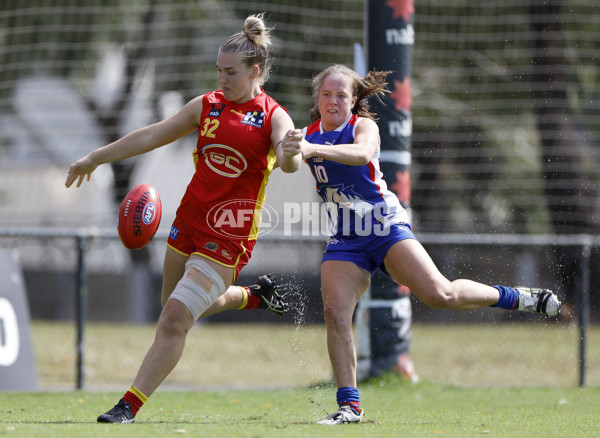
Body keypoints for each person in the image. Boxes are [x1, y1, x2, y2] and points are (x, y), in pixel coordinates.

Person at [280, 64, 561, 425]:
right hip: (346, 237)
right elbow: (288, 165)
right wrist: (291, 149)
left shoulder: (362, 127)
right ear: (317, 98)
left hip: (385, 226)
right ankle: (350, 407)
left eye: (341, 95)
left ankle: (515, 296)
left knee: (440, 295)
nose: (332, 101)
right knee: (335, 313)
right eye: (326, 94)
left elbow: (362, 154)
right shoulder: (310, 134)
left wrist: (310, 147)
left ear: (353, 100)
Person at [65, 14, 302, 423]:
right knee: (171, 311)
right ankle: (253, 297)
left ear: (255, 71)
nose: (222, 79)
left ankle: (128, 406)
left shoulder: (273, 116)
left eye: (231, 72)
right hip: (187, 224)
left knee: (175, 318)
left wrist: (293, 151)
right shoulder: (206, 105)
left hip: (229, 236)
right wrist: (96, 157)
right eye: (219, 71)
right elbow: (153, 133)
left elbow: (287, 159)